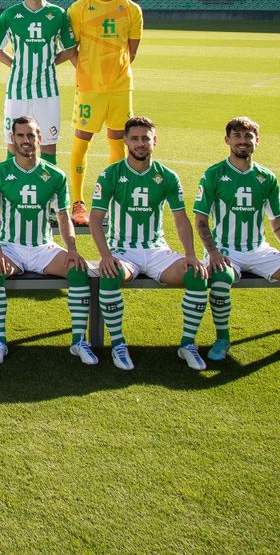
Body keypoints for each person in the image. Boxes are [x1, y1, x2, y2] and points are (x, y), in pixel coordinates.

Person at [193, 116, 280, 363]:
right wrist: (212, 253)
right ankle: (222, 339)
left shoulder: (267, 177)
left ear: (257, 141)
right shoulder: (213, 174)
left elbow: (277, 221)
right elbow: (201, 220)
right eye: (237, 136)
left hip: (258, 250)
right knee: (221, 279)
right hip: (224, 250)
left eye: (248, 136)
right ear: (227, 140)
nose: (243, 141)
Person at [89, 116, 208, 372]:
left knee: (196, 275)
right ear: (125, 141)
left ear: (155, 141)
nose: (140, 143)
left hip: (157, 250)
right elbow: (95, 219)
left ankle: (188, 344)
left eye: (146, 138)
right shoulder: (111, 174)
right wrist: (106, 255)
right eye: (135, 138)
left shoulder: (168, 176)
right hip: (122, 251)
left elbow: (180, 219)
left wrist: (190, 254)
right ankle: (118, 344)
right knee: (109, 273)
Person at [0, 116, 96, 367]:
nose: (26, 140)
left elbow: (63, 216)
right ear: (12, 139)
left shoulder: (55, 175)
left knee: (78, 269)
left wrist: (72, 249)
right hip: (10, 247)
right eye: (20, 135)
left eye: (31, 135)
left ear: (39, 138)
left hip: (43, 247)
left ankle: (79, 341)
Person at [66, 0, 144, 226]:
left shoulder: (131, 9)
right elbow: (71, 49)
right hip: (90, 88)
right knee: (82, 140)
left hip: (120, 88)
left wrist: (114, 72)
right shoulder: (79, 9)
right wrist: (87, 72)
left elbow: (132, 51)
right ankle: (78, 202)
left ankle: (116, 197)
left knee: (118, 140)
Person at [0, 0, 75, 164]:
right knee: (13, 143)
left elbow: (70, 49)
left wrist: (49, 62)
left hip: (47, 91)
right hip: (17, 91)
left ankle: (48, 184)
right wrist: (15, 64)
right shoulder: (10, 15)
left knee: (48, 143)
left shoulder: (58, 14)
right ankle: (12, 183)